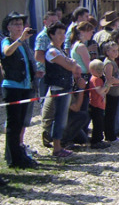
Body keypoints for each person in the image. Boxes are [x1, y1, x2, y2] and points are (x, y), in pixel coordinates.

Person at [2, 12, 37, 168]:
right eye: (15, 23)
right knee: (13, 125)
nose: (19, 26)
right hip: (12, 87)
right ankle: (14, 159)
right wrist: (20, 39)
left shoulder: (23, 44)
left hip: (24, 86)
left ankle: (17, 155)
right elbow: (7, 52)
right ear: (8, 26)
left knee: (20, 124)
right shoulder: (7, 41)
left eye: (20, 24)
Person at [42, 22, 82, 159]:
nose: (62, 36)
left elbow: (72, 64)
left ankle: (59, 144)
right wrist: (71, 63)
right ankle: (57, 147)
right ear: (51, 35)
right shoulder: (52, 51)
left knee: (62, 118)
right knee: (59, 118)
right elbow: (70, 66)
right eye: (58, 33)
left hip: (65, 86)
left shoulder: (60, 51)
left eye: (63, 33)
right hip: (58, 87)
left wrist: (71, 63)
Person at [87, 59, 113, 149]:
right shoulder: (95, 79)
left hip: (100, 104)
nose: (101, 72)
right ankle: (96, 141)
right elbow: (100, 91)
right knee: (97, 124)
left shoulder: (100, 79)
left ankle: (99, 140)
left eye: (102, 70)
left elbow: (105, 92)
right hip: (96, 105)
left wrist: (108, 85)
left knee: (100, 123)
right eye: (98, 70)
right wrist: (107, 85)